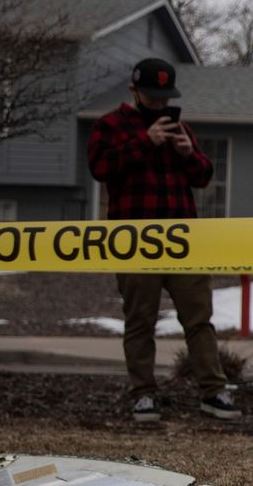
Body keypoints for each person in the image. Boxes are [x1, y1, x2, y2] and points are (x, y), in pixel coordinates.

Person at [86, 57, 241, 423]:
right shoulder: (110, 126)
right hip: (135, 240)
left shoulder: (180, 129)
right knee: (140, 319)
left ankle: (213, 391)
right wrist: (145, 141)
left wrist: (188, 153)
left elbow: (203, 177)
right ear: (133, 90)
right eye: (151, 96)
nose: (158, 103)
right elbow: (100, 168)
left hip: (183, 240)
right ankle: (143, 394)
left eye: (163, 96)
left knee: (199, 318)